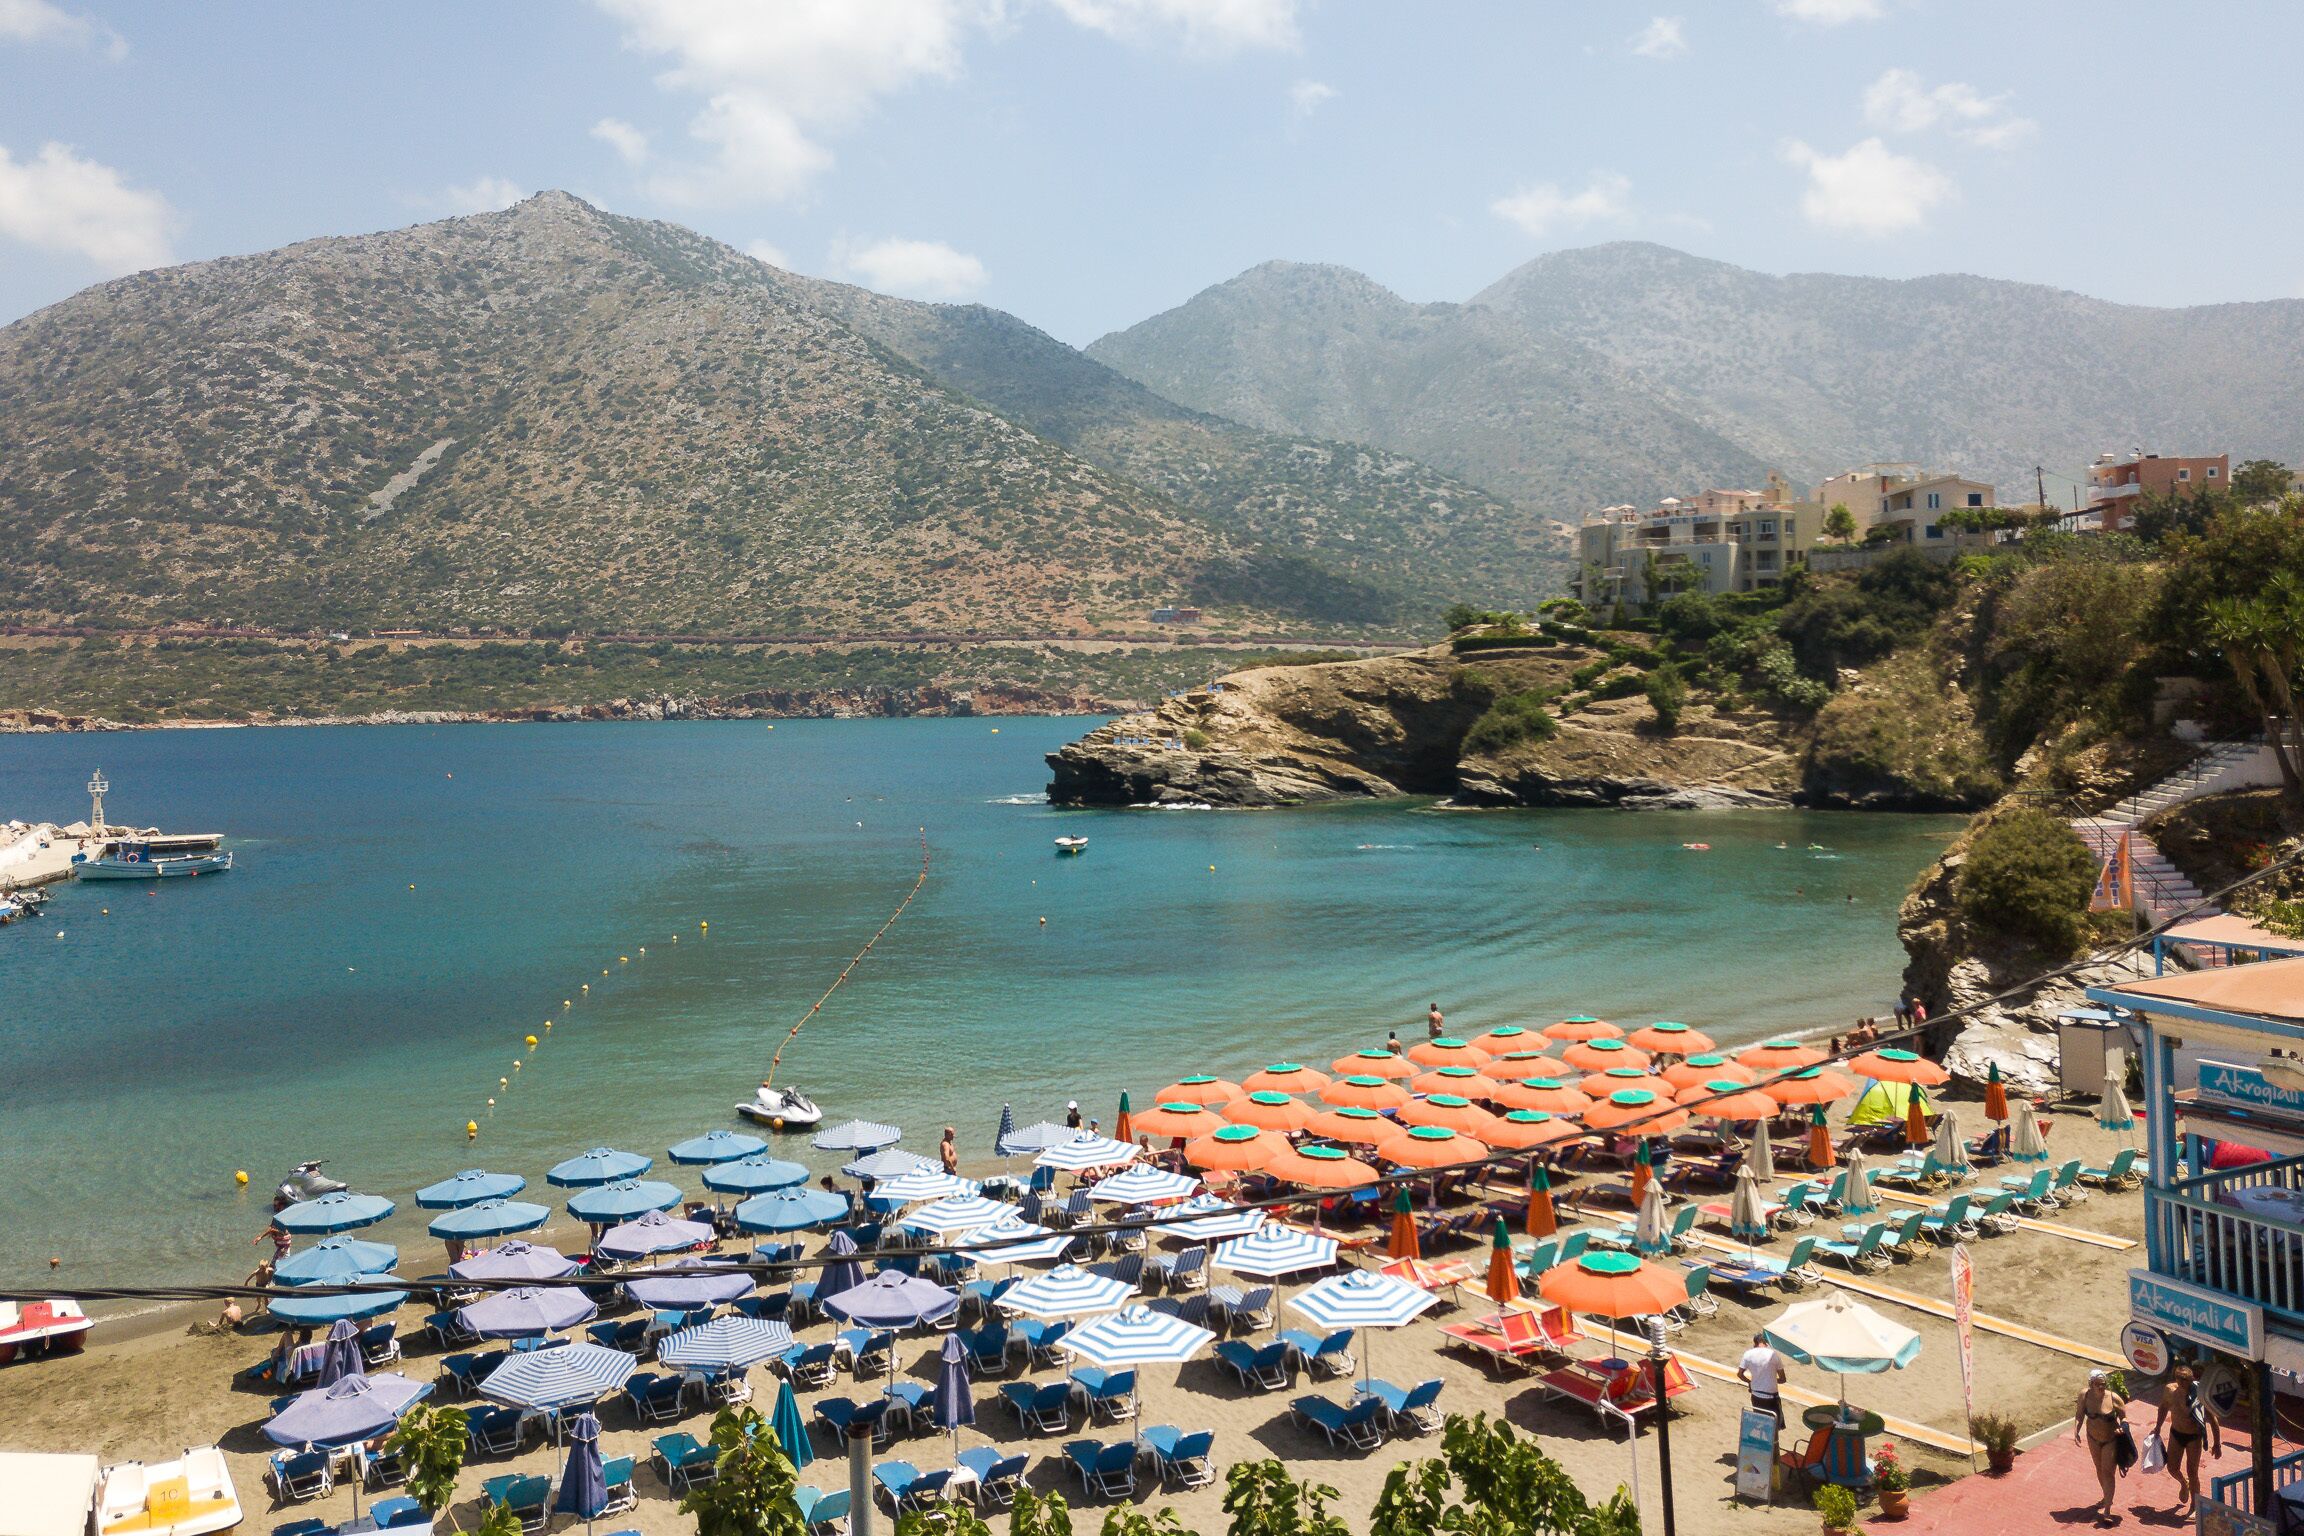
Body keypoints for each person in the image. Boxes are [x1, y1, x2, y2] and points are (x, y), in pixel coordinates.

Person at [2154, 1361, 2221, 1516]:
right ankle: (2184, 1483)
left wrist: (2217, 1444)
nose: (2185, 1383)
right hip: (2176, 1433)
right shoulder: (2169, 1391)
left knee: (2193, 1472)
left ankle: (2194, 1505)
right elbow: (2163, 1407)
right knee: (2172, 1468)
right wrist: (2157, 1428)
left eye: (2188, 1379)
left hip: (2193, 1437)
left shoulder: (2199, 1394)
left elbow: (2213, 1420)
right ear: (2176, 1378)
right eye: (2181, 1379)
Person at [2075, 1368, 2130, 1525]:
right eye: (2098, 1384)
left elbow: (2124, 1417)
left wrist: (2123, 1427)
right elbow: (2079, 1415)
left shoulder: (2113, 1398)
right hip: (2093, 1438)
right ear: (2091, 1384)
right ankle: (2106, 1496)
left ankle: (2107, 1509)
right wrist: (2076, 1431)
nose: (2101, 1387)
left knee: (2108, 1473)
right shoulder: (2084, 1396)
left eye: (2103, 1384)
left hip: (2110, 1440)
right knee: (2099, 1469)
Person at [1738, 1332, 1789, 1423]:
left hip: (1756, 1395)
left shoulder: (1748, 1354)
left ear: (1755, 1343)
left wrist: (1750, 1382)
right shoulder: (1774, 1355)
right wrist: (1771, 1379)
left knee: (1759, 1422)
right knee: (1773, 1426)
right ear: (1766, 1342)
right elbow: (1783, 1379)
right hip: (1771, 1397)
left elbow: (1740, 1374)